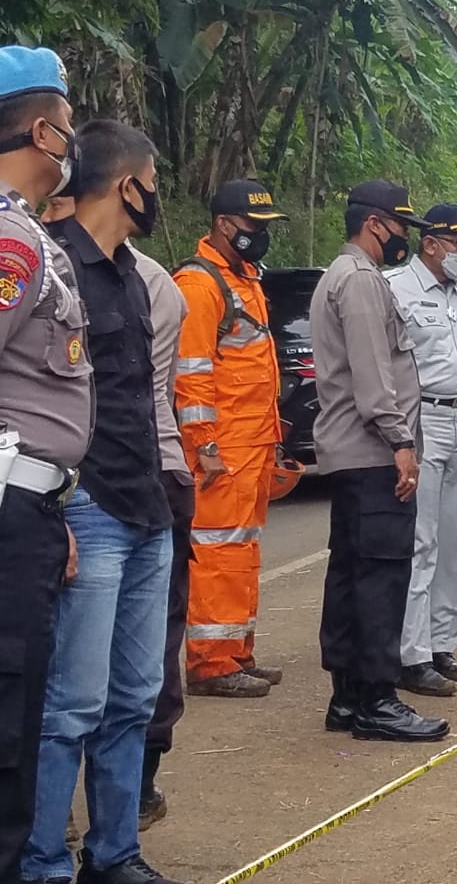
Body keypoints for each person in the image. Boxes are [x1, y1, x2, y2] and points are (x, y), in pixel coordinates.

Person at [28, 119, 178, 884]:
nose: (157, 195)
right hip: (86, 507)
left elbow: (140, 400)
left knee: (134, 699)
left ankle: (115, 855)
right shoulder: (50, 267)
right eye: (153, 181)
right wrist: (55, 511)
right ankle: (44, 858)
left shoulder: (132, 273)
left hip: (146, 509)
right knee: (71, 707)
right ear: (128, 185)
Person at [0, 45, 93, 884]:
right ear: (41, 130)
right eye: (69, 128)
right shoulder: (9, 242)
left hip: (27, 509)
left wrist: (45, 508)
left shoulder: (26, 234)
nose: (76, 145)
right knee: (6, 726)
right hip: (5, 514)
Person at [311, 179, 448, 743]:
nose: (403, 239)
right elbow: (375, 379)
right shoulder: (363, 281)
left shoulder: (335, 275)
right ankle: (377, 699)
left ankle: (346, 697)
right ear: (376, 224)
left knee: (349, 572)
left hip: (348, 452)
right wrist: (402, 443)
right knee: (381, 576)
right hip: (372, 452)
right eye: (400, 227)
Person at [173, 179, 288, 699]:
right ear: (224, 224)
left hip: (253, 443)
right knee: (217, 552)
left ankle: (237, 650)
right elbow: (191, 376)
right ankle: (211, 662)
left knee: (240, 551)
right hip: (223, 450)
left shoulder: (243, 279)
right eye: (253, 226)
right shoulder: (199, 286)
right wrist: (206, 446)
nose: (259, 235)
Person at [387, 204, 457, 700]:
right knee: (422, 543)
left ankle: (442, 644)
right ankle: (412, 655)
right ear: (431, 243)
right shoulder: (396, 290)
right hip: (423, 418)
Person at [132, 244, 193, 829]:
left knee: (147, 651)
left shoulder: (154, 282)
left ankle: (138, 787)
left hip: (158, 472)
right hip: (121, 477)